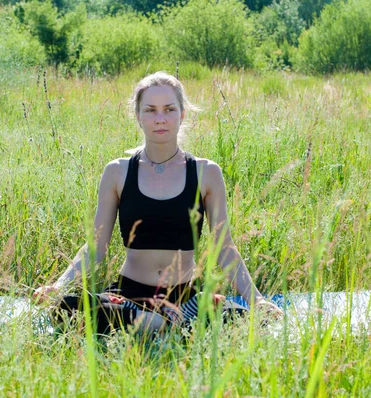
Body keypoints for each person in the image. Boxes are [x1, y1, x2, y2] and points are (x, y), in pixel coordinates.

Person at [34, 72, 282, 334]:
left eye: (169, 109)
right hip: (129, 296)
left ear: (182, 114)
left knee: (254, 322)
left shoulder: (206, 172)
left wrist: (258, 301)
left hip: (188, 298)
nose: (160, 118)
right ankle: (164, 325)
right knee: (65, 309)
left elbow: (225, 249)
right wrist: (59, 286)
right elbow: (97, 247)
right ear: (138, 116)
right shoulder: (117, 172)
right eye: (150, 110)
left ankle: (160, 324)